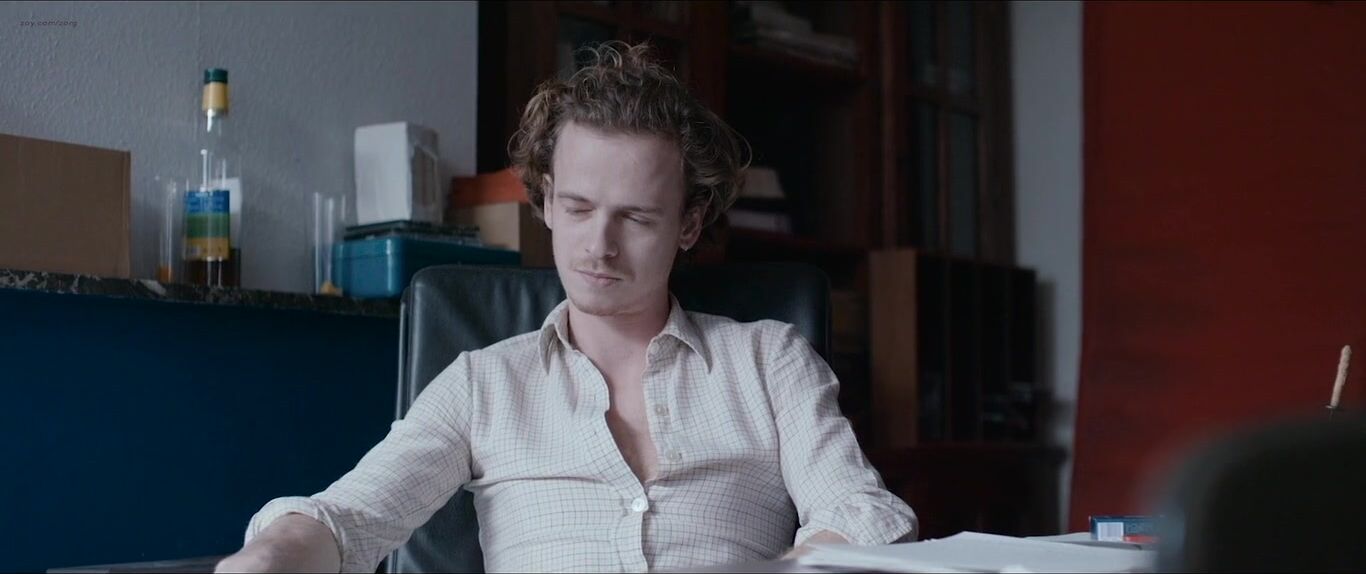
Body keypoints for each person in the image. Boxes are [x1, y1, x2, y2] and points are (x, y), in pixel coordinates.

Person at [216, 42, 915, 574]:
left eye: (636, 217)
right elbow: (348, 519)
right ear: (547, 200)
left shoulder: (769, 360)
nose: (599, 247)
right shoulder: (482, 385)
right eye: (578, 208)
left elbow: (863, 513)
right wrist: (275, 553)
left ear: (689, 223)